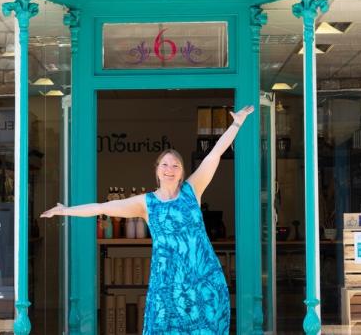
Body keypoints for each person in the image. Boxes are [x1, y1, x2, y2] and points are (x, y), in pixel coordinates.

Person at [41, 105, 254, 334]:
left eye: (175, 165)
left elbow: (215, 154)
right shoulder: (146, 203)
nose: (169, 169)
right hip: (168, 285)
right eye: (164, 164)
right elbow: (103, 207)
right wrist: (65, 210)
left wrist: (237, 124)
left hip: (202, 278)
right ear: (157, 171)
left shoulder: (193, 191)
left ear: (182, 172)